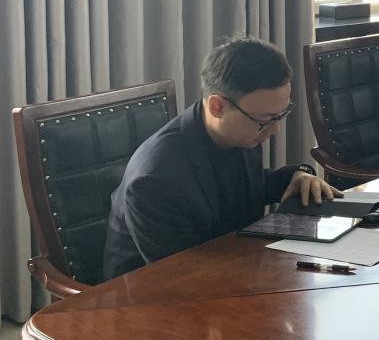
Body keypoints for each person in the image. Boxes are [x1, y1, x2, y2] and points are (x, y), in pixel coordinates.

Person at [103, 37, 338, 280]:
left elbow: (245, 188)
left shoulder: (238, 131)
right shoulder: (154, 180)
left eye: (281, 115)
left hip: (228, 267)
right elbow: (182, 275)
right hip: (155, 292)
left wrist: (298, 176)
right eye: (265, 120)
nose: (274, 130)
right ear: (217, 106)